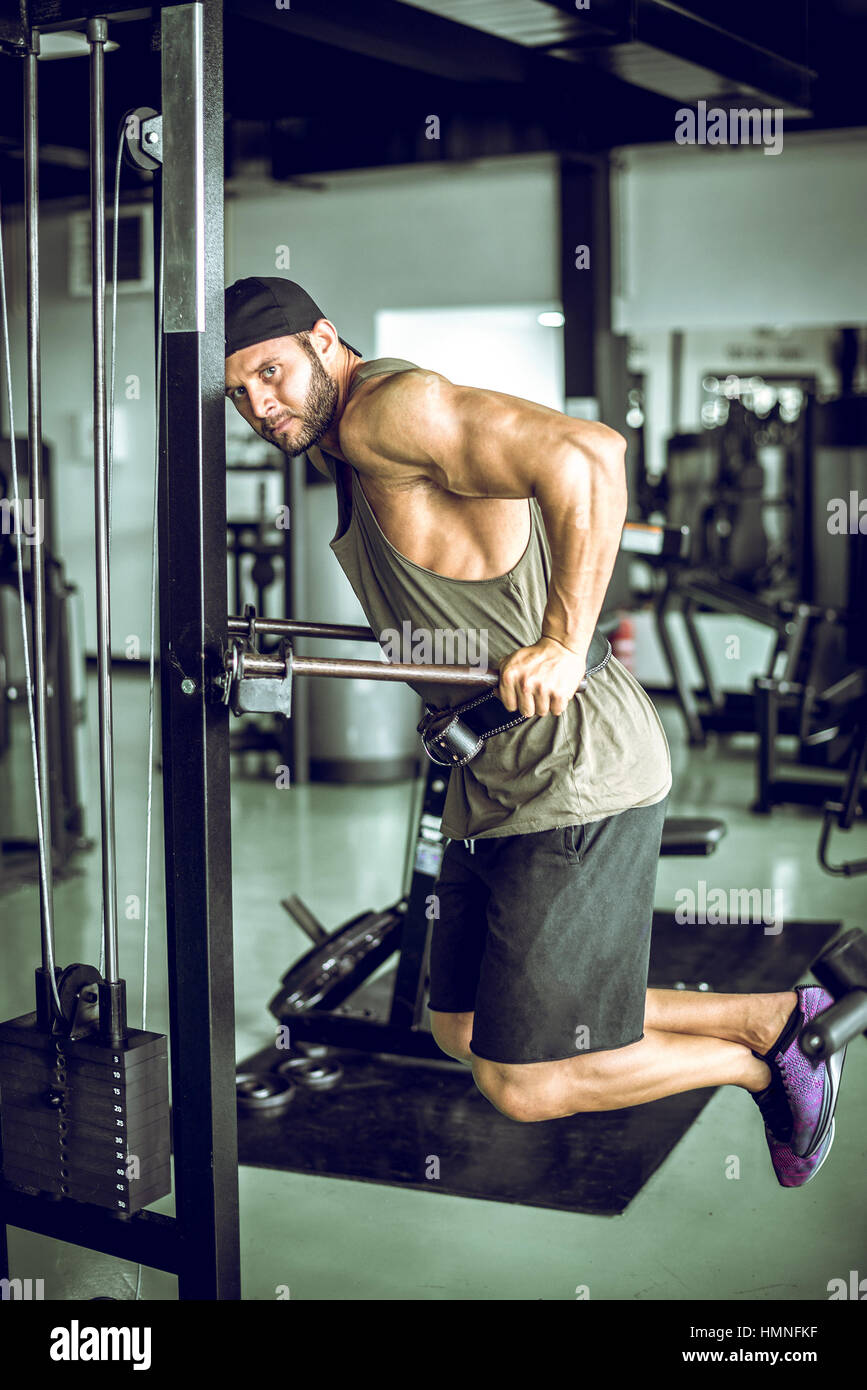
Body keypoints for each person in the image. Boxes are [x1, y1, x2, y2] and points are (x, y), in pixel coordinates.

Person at [225, 275, 846, 1187]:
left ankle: (766, 1059)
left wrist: (561, 637)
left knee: (522, 1080)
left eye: (270, 373)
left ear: (323, 341)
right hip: (492, 768)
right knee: (464, 1026)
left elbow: (589, 454)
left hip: (570, 763)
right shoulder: (339, 449)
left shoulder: (382, 413)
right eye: (240, 393)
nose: (259, 405)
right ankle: (766, 1015)